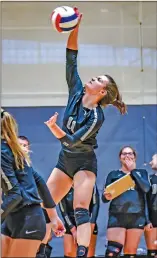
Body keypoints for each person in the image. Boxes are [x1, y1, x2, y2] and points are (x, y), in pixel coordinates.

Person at [45, 8, 127, 258]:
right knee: (44, 206)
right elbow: (71, 57)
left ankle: (82, 252)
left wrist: (54, 128)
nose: (92, 79)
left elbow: (72, 141)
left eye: (98, 80)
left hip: (83, 162)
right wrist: (75, 27)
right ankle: (41, 249)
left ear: (102, 91)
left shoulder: (96, 117)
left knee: (81, 208)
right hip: (64, 161)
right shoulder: (76, 92)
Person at [1, 109, 65, 258]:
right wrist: (54, 217)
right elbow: (39, 181)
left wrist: (54, 218)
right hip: (12, 218)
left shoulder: (4, 151)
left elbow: (15, 195)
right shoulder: (13, 150)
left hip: (28, 219)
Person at [102, 146, 150, 258]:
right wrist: (106, 197)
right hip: (117, 216)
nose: (127, 155)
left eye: (130, 153)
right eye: (124, 154)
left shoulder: (142, 173)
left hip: (137, 217)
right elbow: (104, 198)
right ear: (120, 157)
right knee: (112, 252)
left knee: (130, 253)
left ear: (134, 157)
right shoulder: (113, 174)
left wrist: (133, 170)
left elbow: (146, 189)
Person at [18, 135, 53, 258]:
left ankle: (42, 250)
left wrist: (54, 218)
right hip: (13, 214)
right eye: (19, 145)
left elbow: (45, 192)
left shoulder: (30, 170)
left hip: (29, 215)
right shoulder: (8, 167)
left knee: (39, 252)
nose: (22, 148)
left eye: (25, 145)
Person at [59, 184, 99, 258]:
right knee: (69, 254)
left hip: (87, 222)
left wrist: (91, 225)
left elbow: (95, 204)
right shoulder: (64, 183)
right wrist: (72, 229)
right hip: (70, 223)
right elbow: (63, 210)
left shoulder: (89, 182)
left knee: (86, 254)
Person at [144, 154, 157, 258]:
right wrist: (147, 220)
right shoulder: (149, 180)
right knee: (152, 253)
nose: (150, 162)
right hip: (153, 222)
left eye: (153, 159)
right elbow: (145, 201)